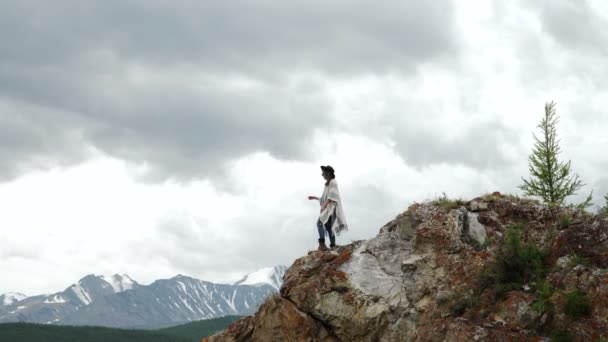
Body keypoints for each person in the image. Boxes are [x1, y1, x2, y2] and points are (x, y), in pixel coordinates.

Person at [307, 165, 348, 251]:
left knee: (320, 223)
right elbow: (325, 198)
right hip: (329, 208)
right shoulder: (328, 184)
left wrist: (324, 206)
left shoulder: (333, 182)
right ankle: (333, 245)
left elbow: (332, 196)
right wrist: (315, 198)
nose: (322, 174)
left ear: (328, 173)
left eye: (323, 172)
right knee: (329, 227)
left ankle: (322, 244)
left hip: (330, 209)